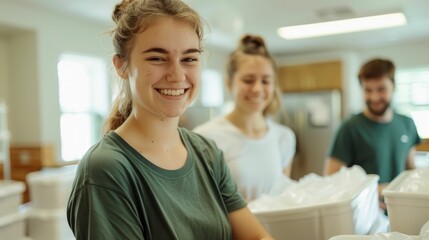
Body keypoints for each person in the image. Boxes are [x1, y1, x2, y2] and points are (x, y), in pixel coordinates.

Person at [66, 1, 273, 239]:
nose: (177, 75)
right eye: (157, 58)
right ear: (122, 65)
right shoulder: (107, 169)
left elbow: (257, 237)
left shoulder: (206, 153)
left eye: (189, 59)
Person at [194, 34, 296, 201]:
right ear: (229, 83)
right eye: (248, 80)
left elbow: (283, 199)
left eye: (265, 81)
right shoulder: (205, 138)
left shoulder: (284, 138)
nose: (257, 89)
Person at [324, 58, 421, 209]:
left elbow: (410, 170)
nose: (375, 97)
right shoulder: (350, 128)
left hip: (402, 210)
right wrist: (372, 191)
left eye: (381, 89)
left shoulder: (406, 124)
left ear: (393, 86)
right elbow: (330, 180)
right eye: (368, 90)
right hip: (366, 216)